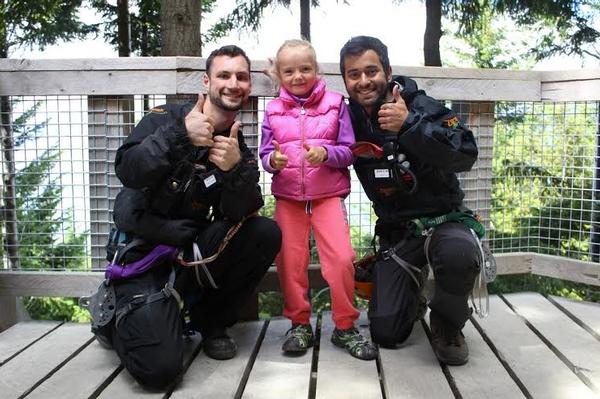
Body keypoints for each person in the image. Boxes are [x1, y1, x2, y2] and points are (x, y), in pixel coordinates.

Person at [102, 45, 281, 389]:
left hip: (189, 257)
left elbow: (242, 212)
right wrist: (179, 136)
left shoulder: (236, 146)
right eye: (224, 75)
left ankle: (211, 322)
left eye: (241, 77)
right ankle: (118, 320)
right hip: (142, 257)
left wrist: (233, 172)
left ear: (248, 86)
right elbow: (129, 171)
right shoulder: (165, 118)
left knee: (265, 233)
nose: (233, 83)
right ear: (206, 81)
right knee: (160, 373)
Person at [339, 36, 481, 365]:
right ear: (345, 80)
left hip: (445, 222)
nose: (363, 81)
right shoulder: (348, 120)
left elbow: (467, 153)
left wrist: (410, 125)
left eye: (371, 71)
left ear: (388, 72)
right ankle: (411, 291)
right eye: (353, 74)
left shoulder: (422, 106)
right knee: (387, 332)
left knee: (458, 254)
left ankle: (448, 322)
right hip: (398, 234)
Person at [260, 39, 377, 361]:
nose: (298, 76)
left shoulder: (336, 103)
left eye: (305, 68)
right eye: (289, 70)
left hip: (327, 197)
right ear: (279, 75)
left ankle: (345, 326)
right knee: (289, 263)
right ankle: (298, 324)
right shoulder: (272, 110)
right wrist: (273, 162)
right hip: (288, 198)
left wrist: (326, 153)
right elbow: (265, 154)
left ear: (316, 69)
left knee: (341, 258)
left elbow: (348, 152)